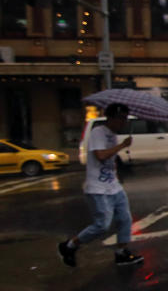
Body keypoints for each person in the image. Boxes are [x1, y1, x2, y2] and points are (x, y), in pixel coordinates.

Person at [57, 103, 144, 267]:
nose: (124, 122)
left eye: (125, 119)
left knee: (125, 219)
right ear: (112, 118)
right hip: (98, 188)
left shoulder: (113, 135)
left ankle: (121, 252)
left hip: (114, 186)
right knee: (102, 225)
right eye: (121, 119)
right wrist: (122, 145)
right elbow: (101, 155)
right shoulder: (98, 133)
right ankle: (69, 245)